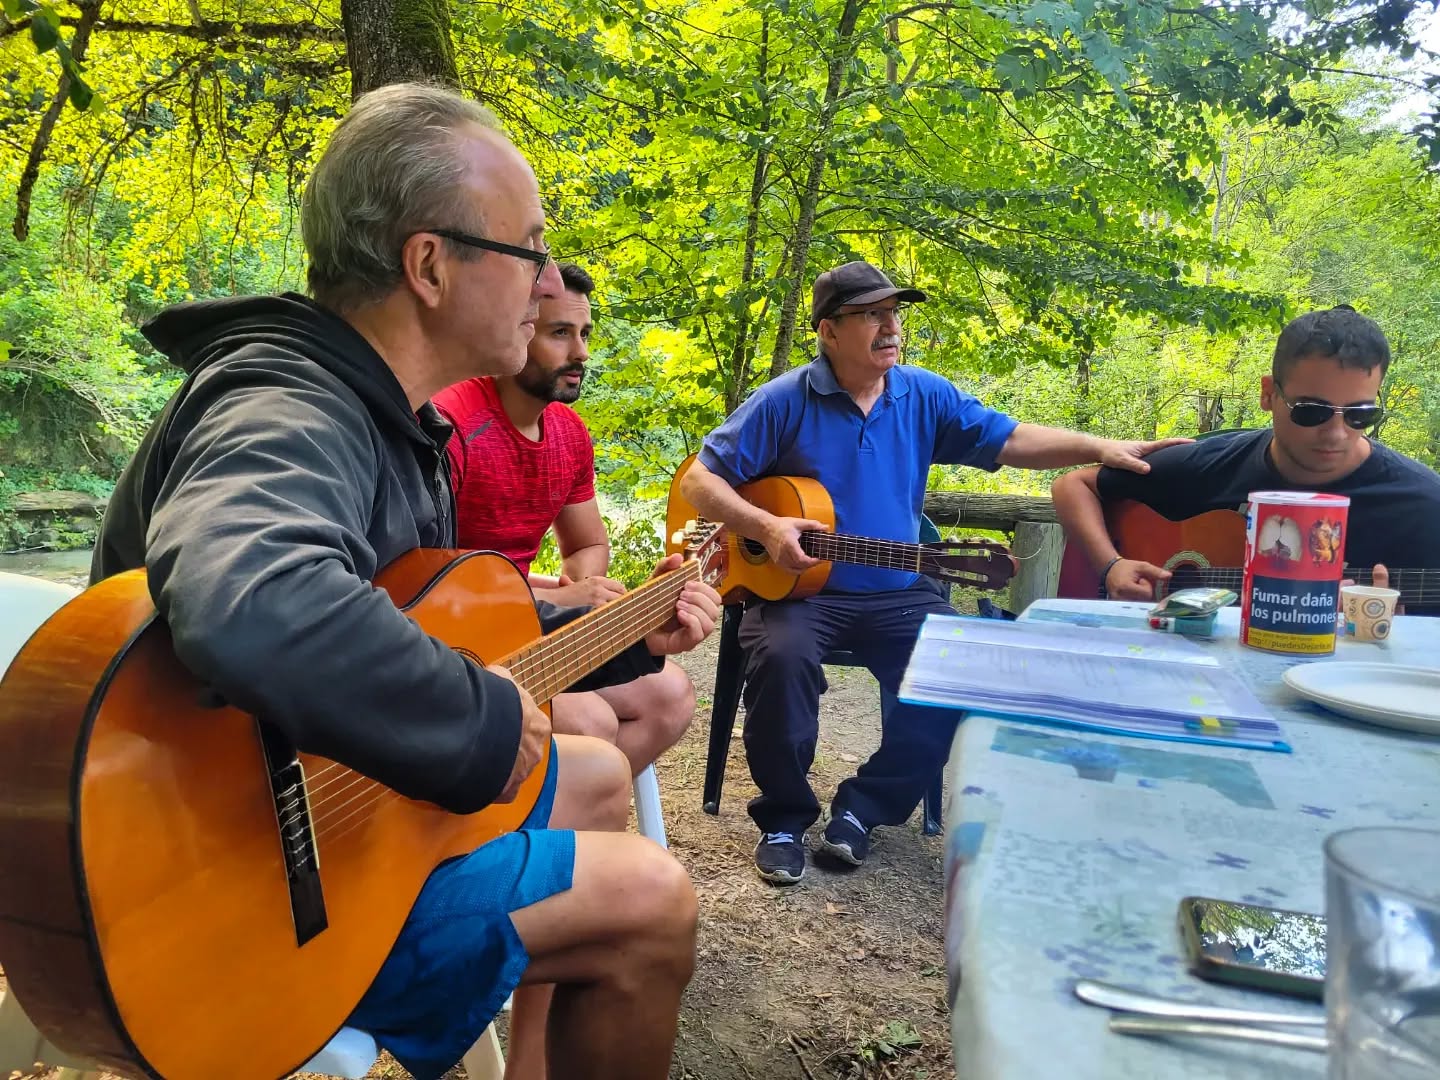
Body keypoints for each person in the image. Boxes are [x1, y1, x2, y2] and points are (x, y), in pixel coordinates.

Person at [90, 83, 721, 1080]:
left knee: (596, 773)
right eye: (531, 249)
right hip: (243, 898)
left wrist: (638, 632)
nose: (550, 279)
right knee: (654, 902)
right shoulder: (287, 403)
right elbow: (250, 594)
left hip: (342, 822)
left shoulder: (378, 415)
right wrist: (472, 720)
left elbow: (452, 635)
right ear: (429, 265)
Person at [678, 260, 1184, 884]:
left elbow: (1010, 439)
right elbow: (700, 481)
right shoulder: (786, 401)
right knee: (780, 659)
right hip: (800, 594)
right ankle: (784, 817)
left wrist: (1097, 447)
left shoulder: (923, 394)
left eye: (894, 314)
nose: (890, 327)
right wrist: (767, 528)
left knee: (959, 667)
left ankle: (864, 808)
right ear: (828, 332)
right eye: (871, 315)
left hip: (898, 593)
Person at [434, 262, 695, 776]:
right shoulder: (453, 424)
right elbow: (432, 589)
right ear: (515, 330)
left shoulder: (569, 434)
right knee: (591, 722)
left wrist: (582, 587)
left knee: (672, 696)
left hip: (534, 621)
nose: (581, 353)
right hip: (460, 646)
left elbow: (586, 546)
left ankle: (572, 822)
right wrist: (555, 598)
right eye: (560, 333)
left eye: (585, 334)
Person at [1051, 305, 1440, 615]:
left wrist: (1385, 630)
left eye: (1360, 414)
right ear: (1268, 395)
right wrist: (1111, 565)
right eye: (1311, 411)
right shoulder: (1213, 464)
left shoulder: (1422, 507)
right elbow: (1074, 484)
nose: (1337, 433)